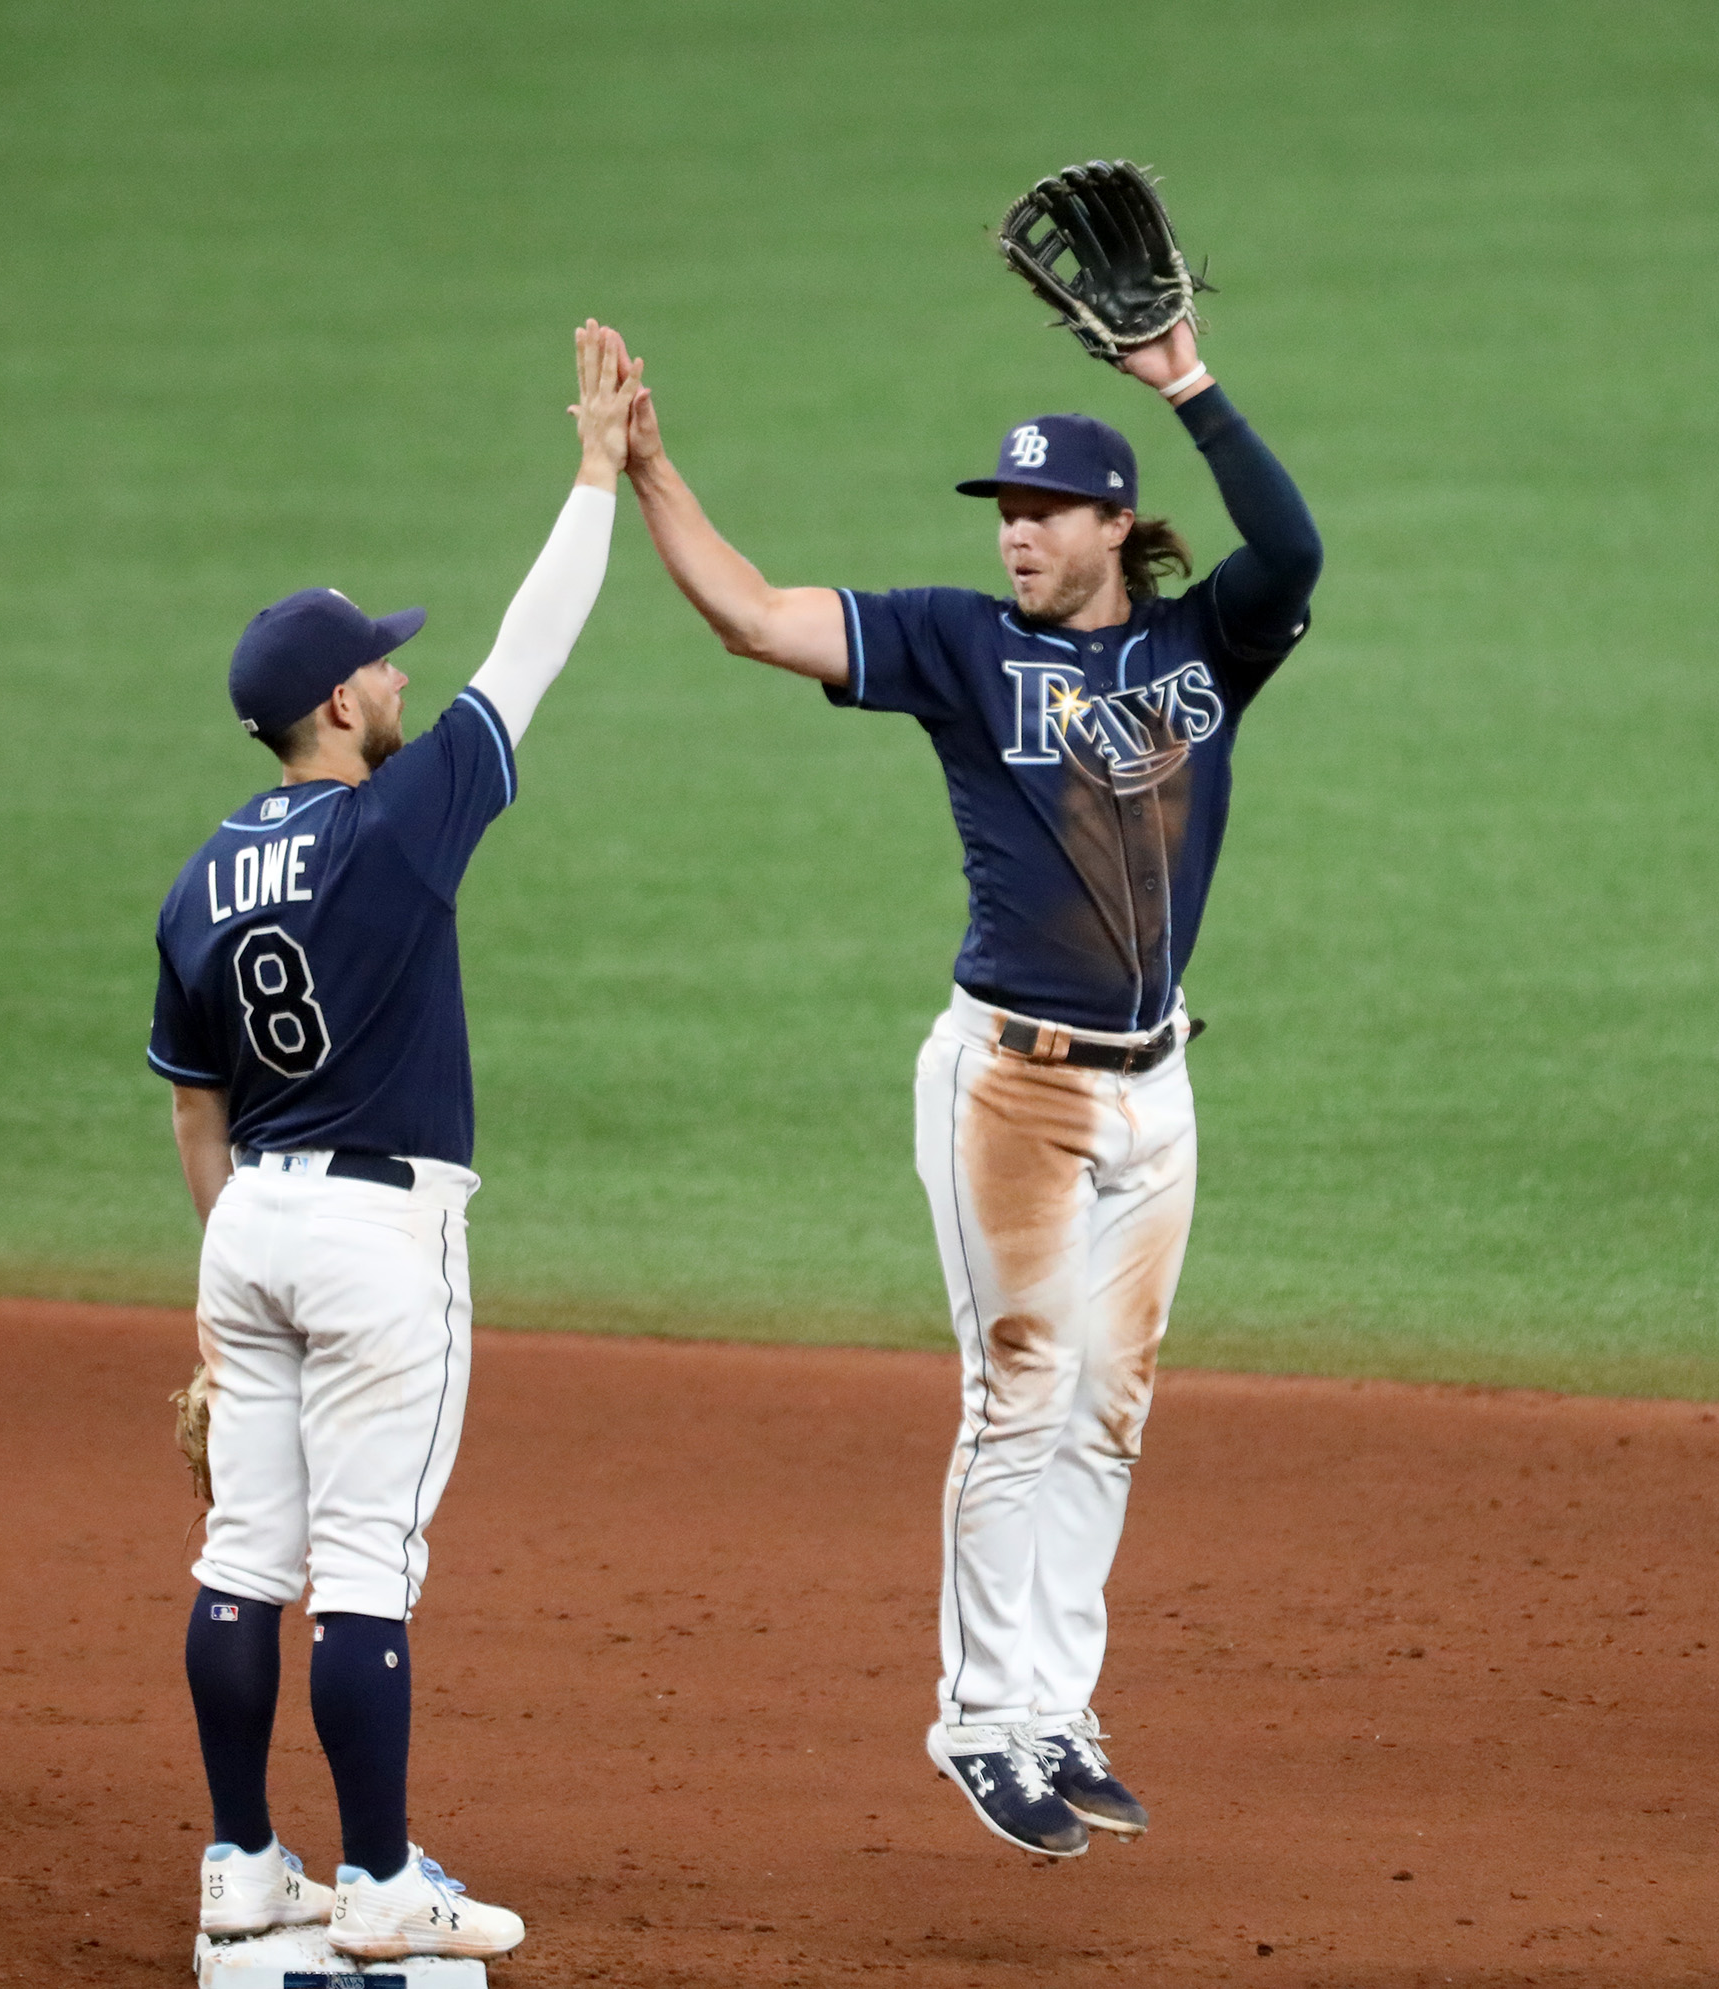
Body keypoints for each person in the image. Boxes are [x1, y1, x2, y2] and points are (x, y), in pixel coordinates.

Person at [620, 314, 1321, 1855]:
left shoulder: (1203, 645)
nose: (1012, 534)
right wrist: (652, 475)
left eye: (1040, 511)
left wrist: (1185, 382)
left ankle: (1058, 1705)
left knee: (1110, 1406)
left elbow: (1295, 546)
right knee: (1018, 1395)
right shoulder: (957, 641)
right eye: (1002, 511)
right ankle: (981, 1721)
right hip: (1010, 1084)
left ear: (1113, 525)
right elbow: (751, 615)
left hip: (1159, 1089)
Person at [148, 323, 639, 1957]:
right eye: (382, 663)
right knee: (364, 1554)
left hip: (252, 1226)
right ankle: (374, 1881)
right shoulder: (394, 819)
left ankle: (242, 1860)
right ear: (339, 702)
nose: (404, 674)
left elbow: (192, 1102)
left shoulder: (198, 878)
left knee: (241, 1548)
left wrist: (217, 1295)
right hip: (376, 1235)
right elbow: (533, 647)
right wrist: (594, 474)